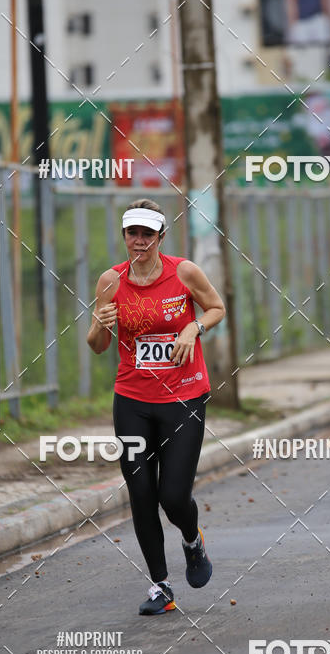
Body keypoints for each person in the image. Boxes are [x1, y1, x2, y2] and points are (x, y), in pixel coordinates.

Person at [87, 199, 226, 616]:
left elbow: (217, 307)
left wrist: (192, 326)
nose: (140, 241)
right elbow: (97, 347)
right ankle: (161, 587)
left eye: (148, 234)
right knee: (141, 493)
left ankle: (191, 539)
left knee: (173, 495)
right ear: (124, 236)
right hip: (132, 400)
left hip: (183, 398)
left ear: (161, 237)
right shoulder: (110, 281)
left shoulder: (183, 272)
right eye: (133, 233)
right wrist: (98, 322)